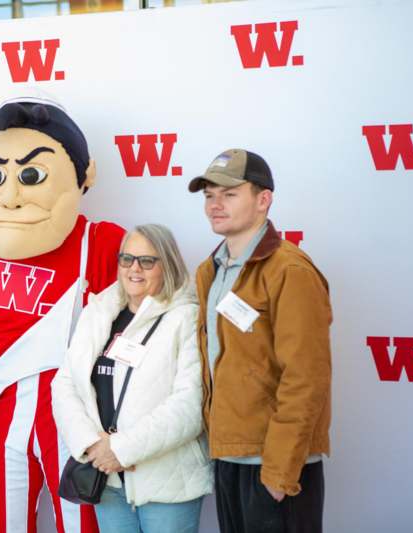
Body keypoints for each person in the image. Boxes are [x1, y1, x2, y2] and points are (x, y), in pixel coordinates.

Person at [0, 97, 125, 533]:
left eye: (31, 176)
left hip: (76, 409)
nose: (10, 196)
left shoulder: (103, 242)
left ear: (85, 177)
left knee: (82, 520)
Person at [189, 149, 332, 533]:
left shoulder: (289, 270)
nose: (215, 205)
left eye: (230, 194)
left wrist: (280, 469)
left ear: (263, 200)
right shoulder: (210, 271)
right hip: (229, 457)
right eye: (208, 196)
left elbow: (306, 376)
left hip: (274, 466)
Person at [51, 224, 212, 533]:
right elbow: (65, 383)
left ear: (168, 265)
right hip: (107, 477)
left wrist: (122, 449)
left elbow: (189, 406)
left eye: (147, 261)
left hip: (166, 483)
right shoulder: (98, 312)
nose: (134, 268)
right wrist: (91, 445)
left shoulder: (187, 318)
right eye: (127, 259)